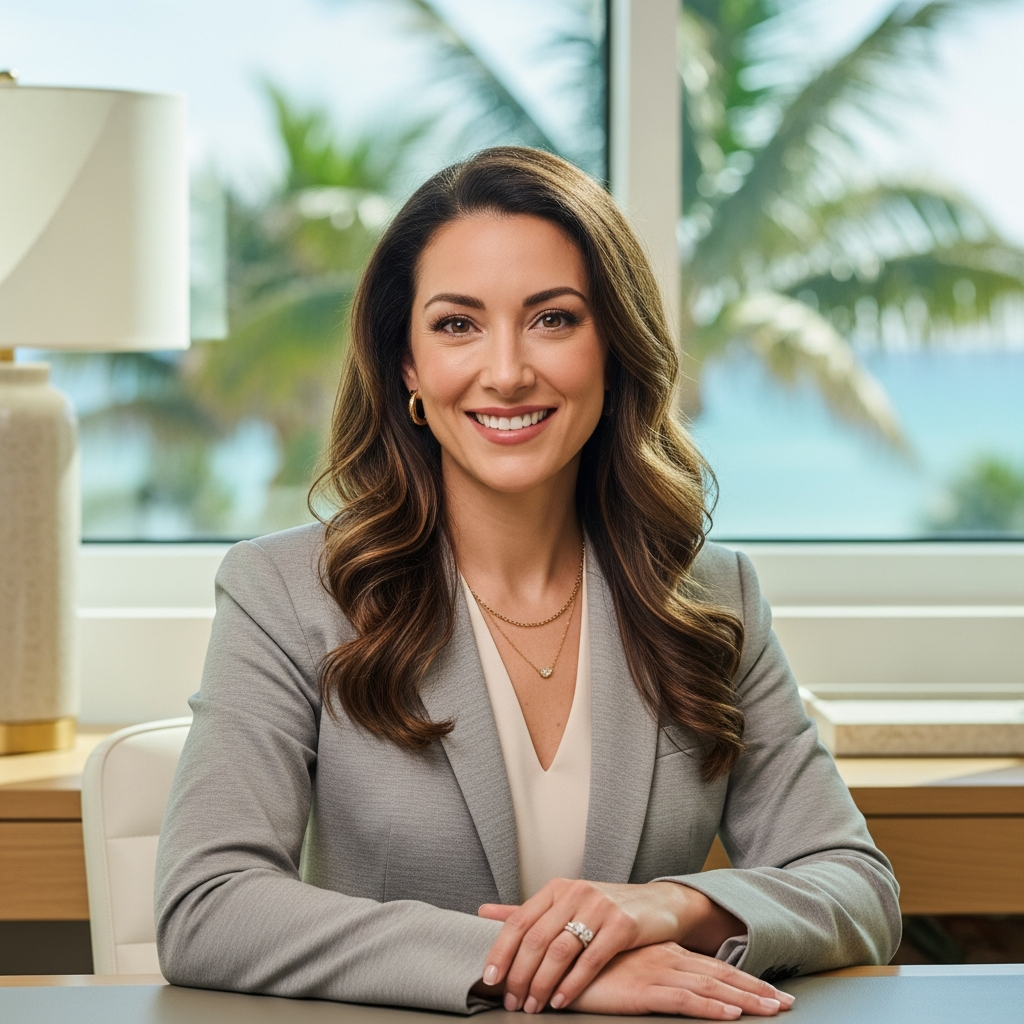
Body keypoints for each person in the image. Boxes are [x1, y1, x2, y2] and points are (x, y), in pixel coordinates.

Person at [155, 147, 901, 1018]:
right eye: (457, 325)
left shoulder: (711, 596)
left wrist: (670, 906)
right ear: (407, 368)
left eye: (553, 319)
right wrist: (553, 968)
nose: (506, 371)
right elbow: (207, 904)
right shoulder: (284, 591)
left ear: (613, 349)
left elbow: (856, 886)